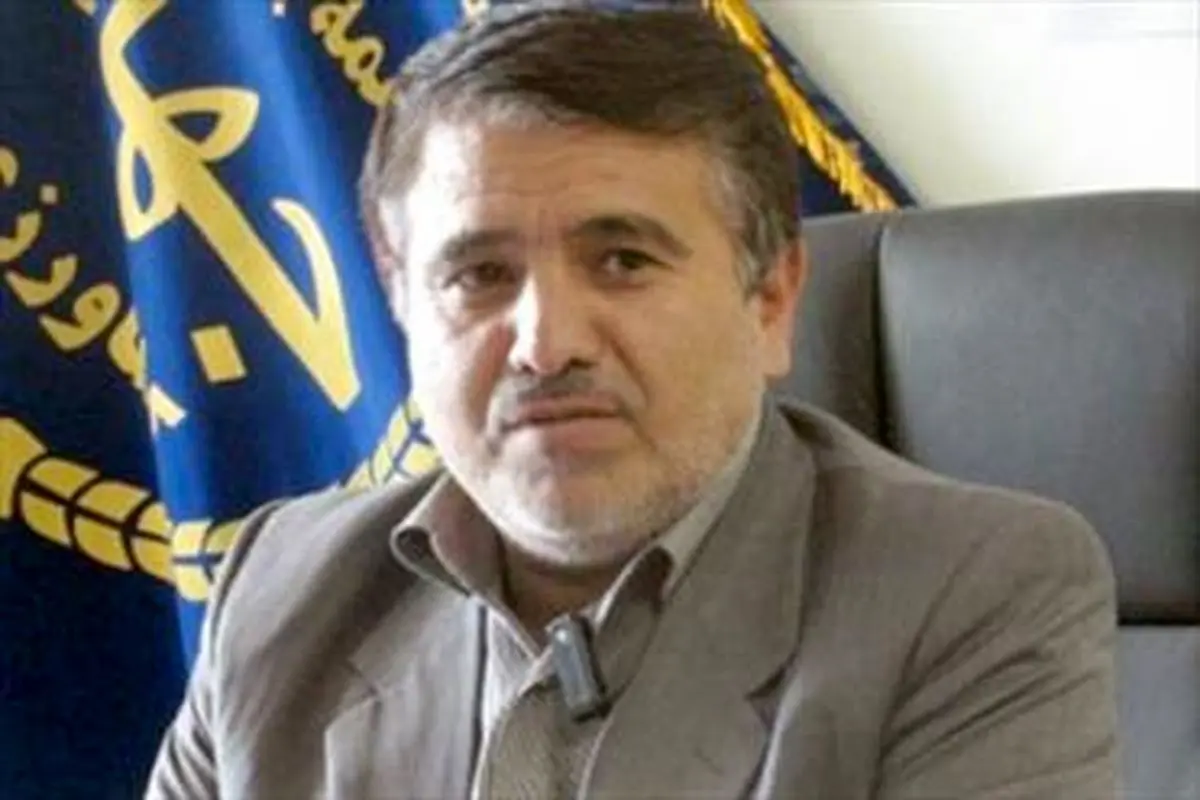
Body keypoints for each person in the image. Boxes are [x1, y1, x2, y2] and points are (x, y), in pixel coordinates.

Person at [145, 2, 1119, 797]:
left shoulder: (971, 591)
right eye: (480, 275)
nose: (545, 343)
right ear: (400, 302)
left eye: (622, 260)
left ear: (772, 298)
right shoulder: (283, 589)